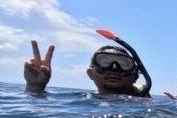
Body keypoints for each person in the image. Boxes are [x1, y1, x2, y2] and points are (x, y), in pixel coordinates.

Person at [24, 40, 152, 96]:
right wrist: (35, 87)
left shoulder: (145, 102)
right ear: (90, 73)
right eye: (104, 61)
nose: (114, 68)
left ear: (135, 76)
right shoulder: (79, 102)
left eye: (123, 64)